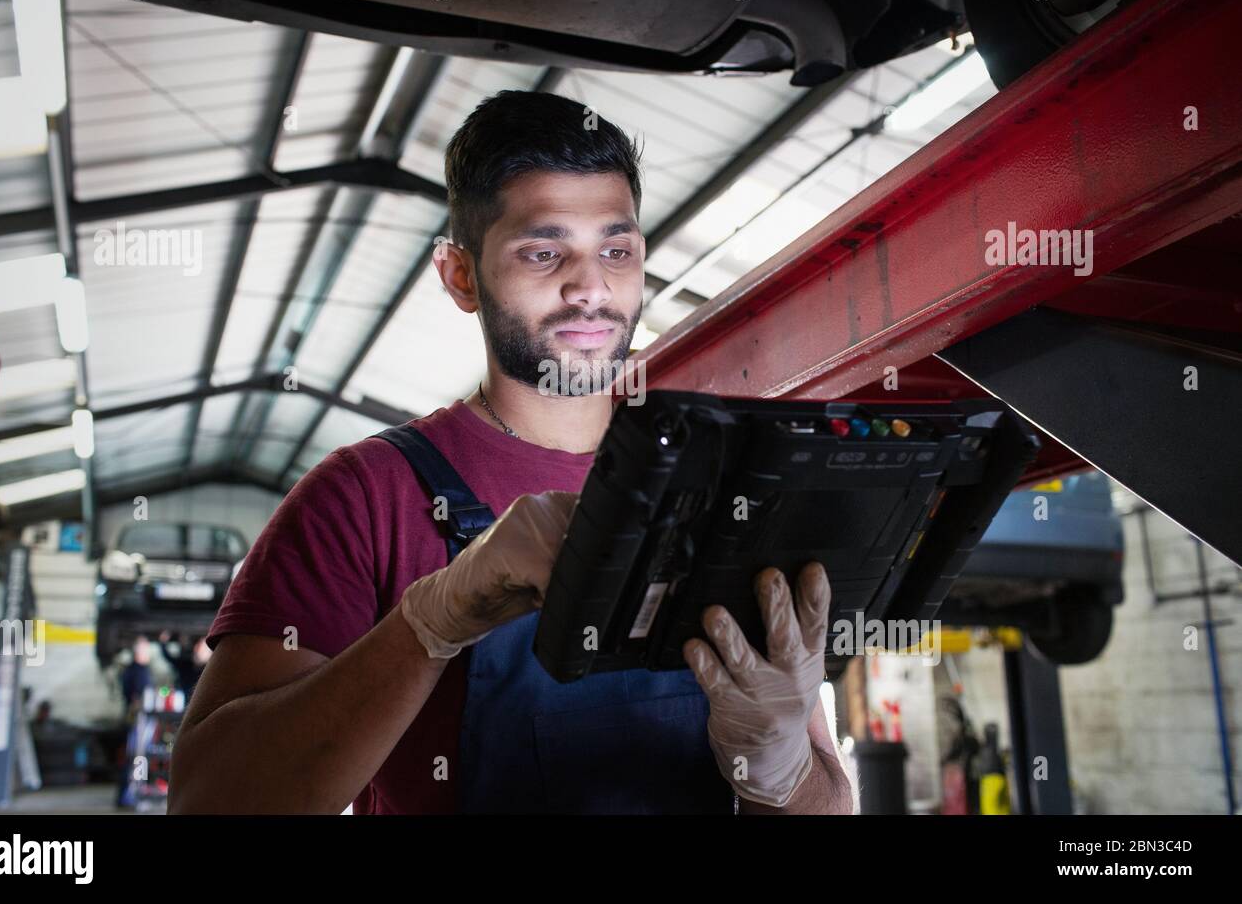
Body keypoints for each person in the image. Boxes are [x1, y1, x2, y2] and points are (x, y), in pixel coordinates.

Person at [169, 90, 855, 815]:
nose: (590, 286)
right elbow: (209, 801)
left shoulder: (729, 484)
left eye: (615, 250)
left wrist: (779, 772)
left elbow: (828, 805)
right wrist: (427, 624)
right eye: (543, 250)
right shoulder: (366, 497)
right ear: (460, 275)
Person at [116, 635, 153, 807]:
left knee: (139, 756)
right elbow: (135, 698)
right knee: (137, 756)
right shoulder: (135, 671)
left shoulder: (140, 669)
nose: (149, 652)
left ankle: (132, 793)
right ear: (139, 651)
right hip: (138, 719)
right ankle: (129, 795)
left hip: (140, 718)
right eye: (146, 649)